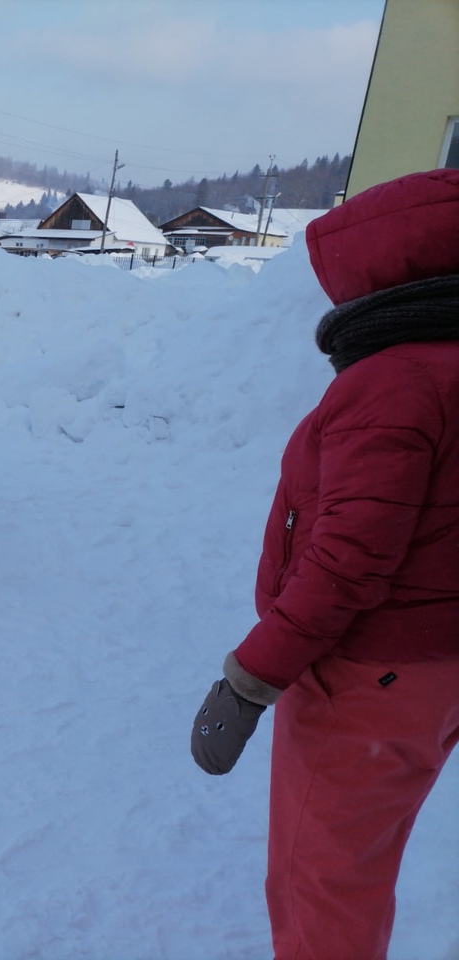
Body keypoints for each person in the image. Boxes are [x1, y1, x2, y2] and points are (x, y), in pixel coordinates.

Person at [190, 168, 459, 960]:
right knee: (362, 862)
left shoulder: (395, 381)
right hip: (434, 672)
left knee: (324, 881)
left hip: (369, 676)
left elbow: (348, 561)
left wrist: (248, 680)